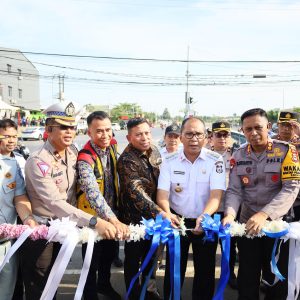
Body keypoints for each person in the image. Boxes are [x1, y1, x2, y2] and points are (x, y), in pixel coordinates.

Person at [19, 102, 119, 300]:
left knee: (56, 279)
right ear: (48, 130)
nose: (69, 132)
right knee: (41, 287)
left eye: (72, 127)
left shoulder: (73, 152)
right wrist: (94, 221)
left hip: (65, 228)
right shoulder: (39, 161)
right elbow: (55, 202)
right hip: (43, 232)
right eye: (63, 127)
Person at [223, 108, 300, 300]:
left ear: (268, 126)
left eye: (258, 127)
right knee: (247, 277)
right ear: (242, 130)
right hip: (248, 226)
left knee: (276, 278)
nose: (253, 133)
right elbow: (234, 190)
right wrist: (230, 215)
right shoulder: (238, 154)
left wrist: (264, 214)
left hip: (277, 226)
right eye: (248, 129)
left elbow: (291, 188)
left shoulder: (286, 151)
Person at [157, 117, 226, 300]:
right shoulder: (169, 160)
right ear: (181, 136)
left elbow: (216, 196)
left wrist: (204, 217)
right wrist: (169, 214)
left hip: (206, 220)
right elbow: (162, 195)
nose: (193, 138)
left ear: (206, 137)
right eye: (189, 134)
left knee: (205, 271)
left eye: (198, 134)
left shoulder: (215, 160)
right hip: (176, 220)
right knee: (173, 270)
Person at [77, 111, 128, 300]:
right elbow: (92, 193)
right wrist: (113, 219)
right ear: (89, 132)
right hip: (92, 219)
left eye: (108, 130)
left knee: (108, 256)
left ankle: (104, 285)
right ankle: (89, 294)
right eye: (99, 131)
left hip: (112, 214)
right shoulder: (85, 158)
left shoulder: (113, 147)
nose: (105, 135)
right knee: (90, 261)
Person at [117, 117, 165, 300]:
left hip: (156, 218)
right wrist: (161, 212)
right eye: (138, 135)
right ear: (129, 138)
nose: (144, 138)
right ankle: (133, 293)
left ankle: (150, 290)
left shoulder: (154, 151)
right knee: (133, 260)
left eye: (147, 133)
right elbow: (136, 191)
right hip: (134, 220)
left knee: (152, 257)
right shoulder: (127, 160)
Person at [0, 133, 37, 300]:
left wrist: (28, 218)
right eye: (6, 135)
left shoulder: (14, 163)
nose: (12, 140)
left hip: (6, 242)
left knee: (6, 292)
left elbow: (19, 196)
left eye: (15, 136)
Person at [211, 120, 238, 289]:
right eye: (218, 134)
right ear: (211, 136)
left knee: (230, 245)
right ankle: (207, 275)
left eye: (225, 134)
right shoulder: (204, 154)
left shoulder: (237, 155)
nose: (222, 138)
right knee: (209, 244)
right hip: (212, 208)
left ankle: (229, 274)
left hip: (230, 208)